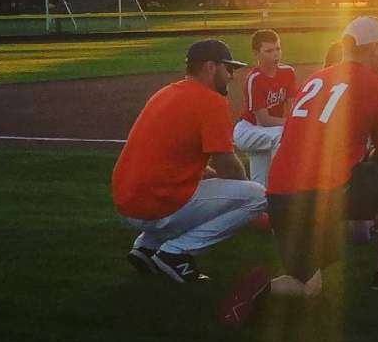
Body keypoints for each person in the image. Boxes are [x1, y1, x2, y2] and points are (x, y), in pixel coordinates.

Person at [220, 17, 378, 327]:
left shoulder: (315, 78)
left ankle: (262, 289)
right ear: (371, 49)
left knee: (308, 287)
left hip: (279, 198)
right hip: (323, 194)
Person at [112, 39, 266, 284]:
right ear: (210, 67)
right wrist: (244, 195)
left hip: (126, 202)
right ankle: (176, 253)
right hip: (156, 205)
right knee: (257, 196)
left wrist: (214, 180)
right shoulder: (211, 101)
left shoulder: (165, 93)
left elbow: (171, 156)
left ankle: (146, 247)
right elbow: (227, 163)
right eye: (229, 69)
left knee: (204, 185)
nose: (232, 77)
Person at [234, 29, 296, 187]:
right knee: (280, 135)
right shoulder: (254, 79)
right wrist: (292, 123)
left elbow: (293, 107)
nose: (275, 54)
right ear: (256, 54)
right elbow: (264, 120)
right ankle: (283, 183)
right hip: (249, 130)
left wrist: (293, 121)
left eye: (278, 49)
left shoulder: (288, 72)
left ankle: (263, 206)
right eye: (269, 51)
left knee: (260, 186)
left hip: (267, 132)